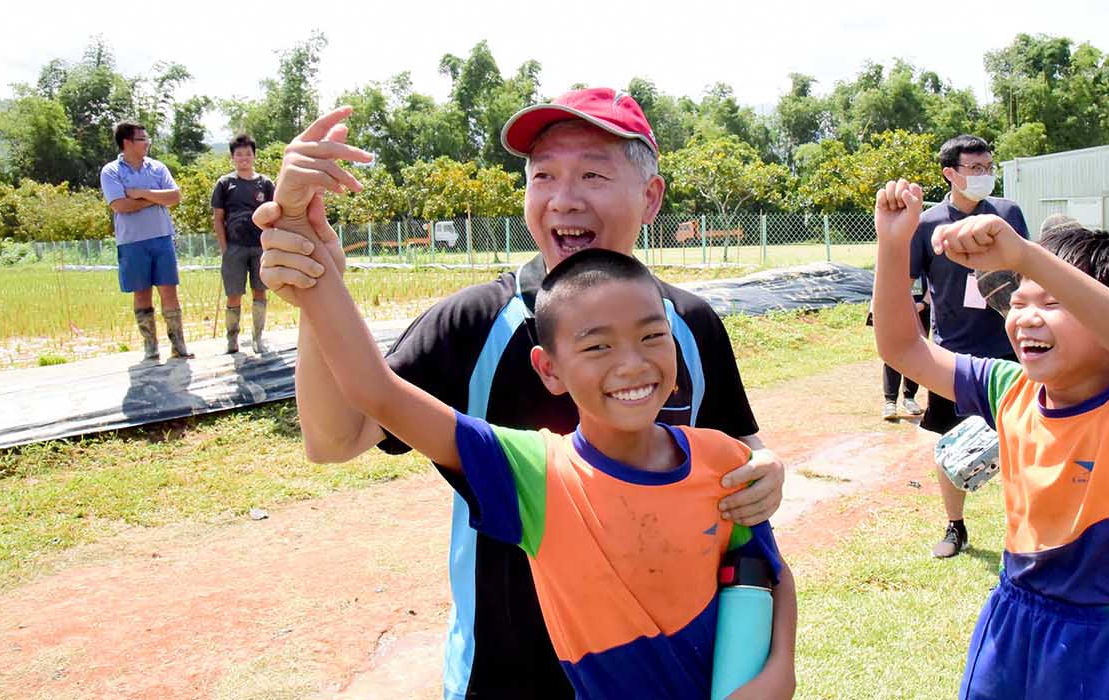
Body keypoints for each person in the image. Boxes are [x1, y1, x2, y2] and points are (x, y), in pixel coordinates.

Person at [253, 93, 788, 700]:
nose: (564, 197)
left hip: (665, 676)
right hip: (505, 680)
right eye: (544, 175)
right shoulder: (474, 324)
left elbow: (738, 451)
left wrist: (766, 468)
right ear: (549, 366)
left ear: (650, 196)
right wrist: (313, 279)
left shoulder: (687, 327)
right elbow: (334, 438)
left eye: (592, 173)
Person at [286, 244, 796, 699]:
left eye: (652, 336)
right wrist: (317, 274)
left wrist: (781, 672)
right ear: (549, 369)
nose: (633, 364)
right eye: (598, 346)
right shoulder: (536, 476)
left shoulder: (722, 459)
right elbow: (376, 390)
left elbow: (766, 573)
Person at [874, 178, 1109, 700]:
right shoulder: (1010, 388)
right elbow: (901, 346)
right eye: (1019, 301)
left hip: (1107, 633)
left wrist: (1025, 255)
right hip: (1012, 611)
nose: (1025, 318)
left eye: (1053, 302)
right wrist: (892, 243)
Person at [910, 134, 1030, 558]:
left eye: (988, 168)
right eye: (974, 169)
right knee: (950, 443)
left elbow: (1029, 270)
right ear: (950, 173)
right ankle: (955, 527)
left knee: (1023, 442)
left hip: (1010, 348)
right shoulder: (926, 224)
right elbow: (911, 287)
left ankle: (1029, 529)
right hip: (953, 352)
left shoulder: (1008, 214)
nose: (984, 176)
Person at [99, 121, 191, 360]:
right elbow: (120, 205)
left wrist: (141, 193)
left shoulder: (157, 167)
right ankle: (150, 347)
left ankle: (178, 345)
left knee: (169, 291)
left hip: (162, 238)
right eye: (142, 139)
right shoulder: (111, 171)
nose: (147, 142)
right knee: (141, 293)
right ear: (127, 142)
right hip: (132, 242)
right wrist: (155, 198)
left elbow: (174, 196)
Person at [211, 133, 276, 354]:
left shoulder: (265, 183)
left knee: (260, 291)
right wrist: (224, 247)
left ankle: (258, 337)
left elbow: (275, 213)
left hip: (260, 246)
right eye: (239, 155)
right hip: (235, 247)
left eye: (248, 154)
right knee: (234, 294)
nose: (244, 158)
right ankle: (232, 340)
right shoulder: (225, 184)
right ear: (232, 157)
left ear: (254, 155)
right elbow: (218, 218)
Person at [870, 278, 930, 421]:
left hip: (921, 311)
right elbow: (881, 283)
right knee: (892, 353)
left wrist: (923, 303)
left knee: (916, 353)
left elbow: (934, 280)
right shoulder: (893, 258)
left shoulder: (924, 257)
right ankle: (890, 401)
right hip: (894, 310)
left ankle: (909, 397)